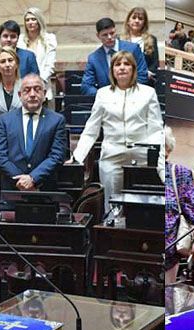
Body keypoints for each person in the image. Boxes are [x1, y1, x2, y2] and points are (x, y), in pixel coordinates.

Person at [72, 51, 163, 211]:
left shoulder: (148, 93)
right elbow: (91, 129)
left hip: (141, 157)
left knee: (140, 208)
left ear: (134, 69)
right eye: (117, 64)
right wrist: (77, 157)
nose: (122, 68)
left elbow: (155, 129)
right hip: (112, 157)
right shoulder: (102, 94)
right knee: (112, 208)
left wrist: (156, 160)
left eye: (126, 64)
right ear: (112, 70)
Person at [0, 73, 68, 196]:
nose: (32, 94)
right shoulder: (5, 120)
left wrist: (33, 178)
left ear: (44, 94)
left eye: (37, 90)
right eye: (27, 90)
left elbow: (57, 156)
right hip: (12, 192)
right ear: (19, 95)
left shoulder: (57, 120)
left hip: (44, 192)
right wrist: (21, 180)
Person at [165, 127, 194, 285]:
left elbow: (191, 207)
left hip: (170, 245)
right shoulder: (139, 171)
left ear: (167, 148)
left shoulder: (179, 172)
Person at [81, 17, 148, 96]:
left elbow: (142, 76)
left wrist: (127, 93)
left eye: (112, 33)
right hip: (107, 102)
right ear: (98, 36)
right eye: (105, 35)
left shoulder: (133, 49)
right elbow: (86, 86)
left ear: (115, 31)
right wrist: (103, 96)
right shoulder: (94, 58)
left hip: (132, 97)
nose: (109, 37)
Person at [17, 7, 57, 100]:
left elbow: (50, 65)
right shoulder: (20, 40)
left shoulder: (49, 39)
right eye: (27, 20)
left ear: (39, 21)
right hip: (22, 88)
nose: (30, 22)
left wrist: (37, 83)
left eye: (33, 19)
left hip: (42, 86)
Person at [122, 7, 159, 83]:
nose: (137, 21)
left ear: (144, 23)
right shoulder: (120, 39)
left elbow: (155, 62)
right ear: (128, 21)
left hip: (145, 80)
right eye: (134, 18)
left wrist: (147, 73)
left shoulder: (152, 39)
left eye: (140, 19)